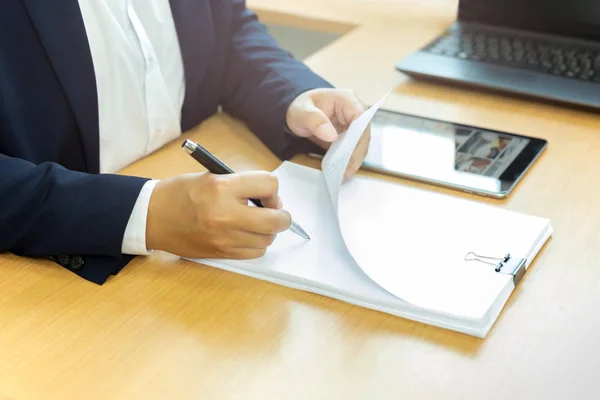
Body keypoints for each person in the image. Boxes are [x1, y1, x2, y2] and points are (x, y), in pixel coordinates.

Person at [0, 0, 370, 284]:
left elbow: (229, 31)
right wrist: (145, 214)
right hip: (52, 280)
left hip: (184, 278)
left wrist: (292, 93)